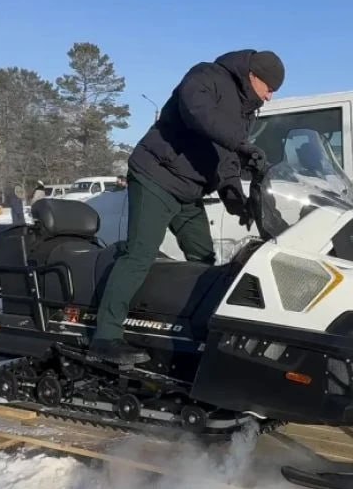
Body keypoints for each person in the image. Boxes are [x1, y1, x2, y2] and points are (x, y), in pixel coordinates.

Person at [88, 48, 284, 365]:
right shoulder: (207, 76)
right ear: (253, 77)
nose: (270, 97)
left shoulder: (246, 111)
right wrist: (241, 143)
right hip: (156, 176)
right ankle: (105, 337)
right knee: (140, 254)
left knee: (204, 256)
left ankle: (197, 331)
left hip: (188, 189)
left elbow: (226, 161)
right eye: (269, 89)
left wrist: (238, 203)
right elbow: (197, 112)